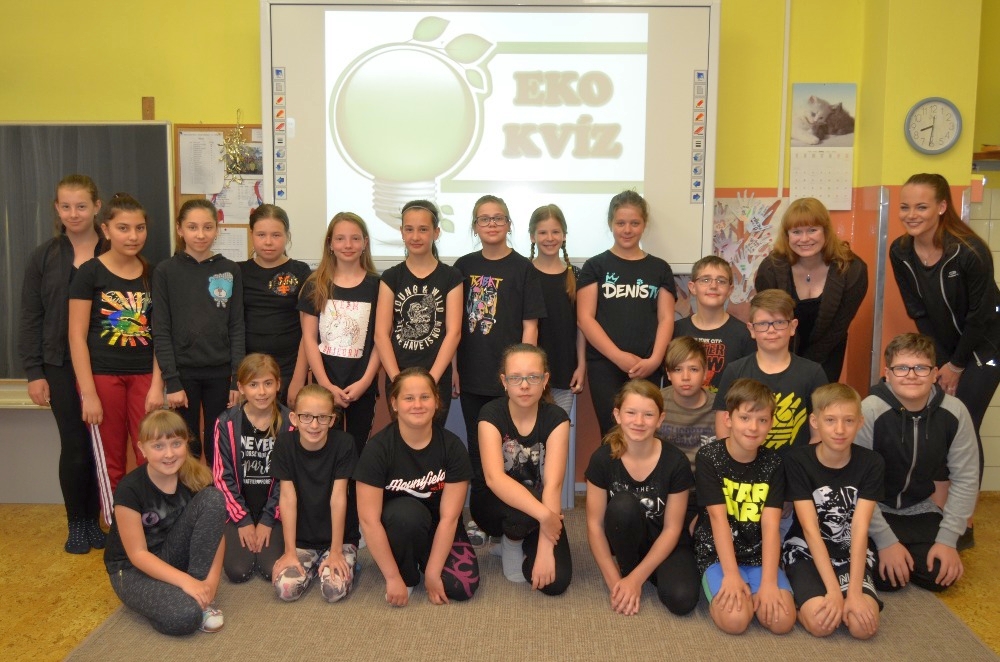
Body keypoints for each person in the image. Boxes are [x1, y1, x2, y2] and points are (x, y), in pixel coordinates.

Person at [890, 173, 1000, 487]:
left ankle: (964, 512)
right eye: (905, 207)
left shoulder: (969, 251)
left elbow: (980, 317)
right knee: (940, 423)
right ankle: (939, 505)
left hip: (987, 345)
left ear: (941, 207)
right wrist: (940, 361)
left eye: (921, 207)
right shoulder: (901, 252)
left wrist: (957, 365)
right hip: (945, 349)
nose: (911, 215)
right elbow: (918, 312)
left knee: (964, 422)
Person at [19, 175, 107, 553]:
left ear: (97, 207)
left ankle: (97, 520)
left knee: (100, 446)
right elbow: (30, 316)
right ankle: (78, 524)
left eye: (81, 206)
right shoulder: (44, 257)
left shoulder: (114, 249)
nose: (74, 213)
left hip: (105, 363)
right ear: (56, 208)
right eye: (66, 206)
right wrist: (34, 373)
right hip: (58, 363)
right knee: (74, 445)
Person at [857, 333, 978, 593]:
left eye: (921, 368)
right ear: (887, 374)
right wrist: (886, 541)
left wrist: (948, 540)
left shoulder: (955, 412)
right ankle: (892, 549)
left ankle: (910, 551)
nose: (911, 375)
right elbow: (856, 482)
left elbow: (966, 478)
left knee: (940, 576)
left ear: (934, 374)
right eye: (901, 368)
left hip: (920, 509)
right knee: (886, 578)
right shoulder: (869, 410)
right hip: (874, 510)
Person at [68, 193, 162, 526]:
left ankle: (152, 522)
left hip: (145, 378)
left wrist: (157, 385)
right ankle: (119, 527)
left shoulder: (154, 274)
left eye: (139, 228)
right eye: (123, 228)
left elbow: (162, 334)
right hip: (103, 378)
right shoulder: (89, 273)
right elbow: (76, 336)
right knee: (111, 459)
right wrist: (89, 392)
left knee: (151, 450)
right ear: (106, 229)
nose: (133, 236)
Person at [354, 368, 480, 606]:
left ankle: (426, 563)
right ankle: (406, 573)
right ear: (394, 403)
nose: (417, 405)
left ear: (436, 401)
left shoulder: (453, 447)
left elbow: (450, 518)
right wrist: (393, 578)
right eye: (409, 398)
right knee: (406, 515)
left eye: (425, 397)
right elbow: (369, 521)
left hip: (440, 527)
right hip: (400, 526)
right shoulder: (378, 449)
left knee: (461, 587)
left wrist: (433, 573)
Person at [103, 410, 226, 635]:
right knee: (185, 616)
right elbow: (138, 554)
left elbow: (215, 533)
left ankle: (196, 594)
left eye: (176, 444)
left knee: (214, 498)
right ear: (142, 449)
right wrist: (185, 582)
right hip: (131, 570)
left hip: (170, 555)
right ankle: (181, 596)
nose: (169, 454)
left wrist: (209, 584)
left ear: (186, 443)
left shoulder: (195, 477)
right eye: (158, 446)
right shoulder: (129, 489)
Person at [585, 379, 700, 616]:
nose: (639, 422)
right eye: (631, 413)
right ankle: (628, 568)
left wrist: (637, 580)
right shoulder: (602, 459)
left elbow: (672, 529)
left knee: (682, 600)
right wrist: (616, 583)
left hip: (665, 541)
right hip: (626, 537)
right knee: (623, 505)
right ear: (617, 415)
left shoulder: (676, 462)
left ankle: (642, 573)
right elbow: (594, 525)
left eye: (648, 415)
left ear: (660, 419)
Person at [781, 383, 884, 639]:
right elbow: (810, 529)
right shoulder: (797, 461)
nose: (840, 430)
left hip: (849, 553)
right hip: (805, 552)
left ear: (860, 422)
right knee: (822, 624)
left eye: (848, 421)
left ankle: (847, 592)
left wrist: (855, 594)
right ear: (814, 422)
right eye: (830, 420)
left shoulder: (872, 463)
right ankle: (801, 602)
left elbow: (860, 528)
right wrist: (835, 592)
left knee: (862, 628)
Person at [694, 378, 795, 635]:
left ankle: (758, 588)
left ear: (771, 424)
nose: (753, 427)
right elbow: (717, 519)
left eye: (762, 420)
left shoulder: (773, 464)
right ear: (728, 419)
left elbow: (771, 525)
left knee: (782, 622)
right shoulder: (709, 458)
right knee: (736, 621)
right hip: (718, 555)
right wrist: (730, 574)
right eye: (745, 418)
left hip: (759, 555)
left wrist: (769, 582)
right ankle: (735, 590)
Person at [471, 344, 572, 593]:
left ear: (545, 380)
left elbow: (553, 485)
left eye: (533, 377)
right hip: (492, 507)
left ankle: (525, 540)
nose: (524, 385)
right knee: (523, 503)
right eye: (515, 378)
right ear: (504, 381)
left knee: (556, 582)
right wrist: (547, 517)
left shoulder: (557, 418)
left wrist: (546, 549)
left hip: (537, 506)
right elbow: (495, 479)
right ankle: (511, 543)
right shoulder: (490, 414)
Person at [153, 199, 245, 467]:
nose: (201, 234)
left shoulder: (230, 270)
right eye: (192, 227)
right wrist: (171, 381)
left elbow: (237, 326)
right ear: (180, 229)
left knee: (219, 441)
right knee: (186, 442)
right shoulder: (165, 271)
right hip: (183, 375)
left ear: (217, 229)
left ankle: (218, 493)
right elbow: (161, 330)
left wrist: (236, 379)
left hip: (220, 373)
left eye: (207, 227)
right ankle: (189, 493)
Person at [578, 190, 676, 436]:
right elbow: (585, 318)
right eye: (620, 223)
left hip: (647, 366)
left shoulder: (659, 268)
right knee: (612, 432)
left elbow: (666, 318)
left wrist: (655, 360)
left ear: (644, 224)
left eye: (635, 223)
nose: (627, 230)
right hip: (605, 364)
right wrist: (618, 356)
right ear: (611, 223)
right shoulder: (595, 266)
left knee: (643, 432)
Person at [454, 195, 546, 454]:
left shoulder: (523, 268)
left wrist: (524, 374)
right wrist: (453, 368)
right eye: (484, 219)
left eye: (498, 218)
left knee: (510, 451)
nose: (492, 224)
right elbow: (454, 326)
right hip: (471, 375)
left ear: (509, 224)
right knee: (477, 448)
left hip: (511, 378)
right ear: (475, 227)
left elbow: (531, 326)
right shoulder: (463, 266)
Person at [755, 197, 868, 382]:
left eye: (812, 230)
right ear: (787, 235)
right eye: (796, 232)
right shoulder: (770, 269)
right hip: (779, 353)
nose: (804, 239)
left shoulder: (852, 270)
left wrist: (806, 367)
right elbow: (769, 322)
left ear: (826, 231)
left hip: (828, 354)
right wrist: (790, 365)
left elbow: (839, 327)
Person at [298, 212, 381, 458]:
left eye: (355, 238)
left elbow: (381, 339)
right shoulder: (315, 285)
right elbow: (309, 339)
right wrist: (325, 385)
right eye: (340, 238)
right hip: (324, 388)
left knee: (357, 452)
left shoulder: (378, 286)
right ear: (330, 244)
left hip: (362, 387)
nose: (348, 245)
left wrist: (365, 382)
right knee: (324, 452)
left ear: (365, 243)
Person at [374, 200, 463, 425]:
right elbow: (381, 334)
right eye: (409, 229)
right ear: (401, 232)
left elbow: (453, 332)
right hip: (398, 373)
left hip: (436, 375)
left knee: (433, 438)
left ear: (436, 232)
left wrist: (431, 381)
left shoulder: (451, 277)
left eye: (423, 229)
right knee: (402, 438)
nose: (415, 236)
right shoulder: (391, 277)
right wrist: (397, 380)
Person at [271, 385, 359, 603]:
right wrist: (290, 551)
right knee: (286, 590)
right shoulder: (284, 444)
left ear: (332, 420)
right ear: (294, 418)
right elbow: (287, 499)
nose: (314, 425)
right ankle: (312, 566)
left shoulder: (344, 444)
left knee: (333, 591)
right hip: (302, 540)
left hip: (339, 540)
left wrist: (336, 551)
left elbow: (338, 498)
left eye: (322, 418)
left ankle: (331, 560)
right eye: (306, 417)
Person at [713, 289, 827, 453]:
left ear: (793, 326)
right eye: (762, 324)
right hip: (745, 465)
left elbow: (820, 432)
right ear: (751, 329)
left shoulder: (813, 373)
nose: (771, 330)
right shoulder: (735, 371)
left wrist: (805, 464)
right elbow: (723, 430)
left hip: (796, 466)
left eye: (779, 322)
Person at [213, 353, 294, 584]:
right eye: (253, 385)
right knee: (238, 571)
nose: (261, 392)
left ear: (278, 384)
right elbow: (221, 477)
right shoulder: (226, 423)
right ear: (241, 388)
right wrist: (243, 520)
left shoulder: (290, 423)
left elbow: (288, 479)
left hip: (275, 509)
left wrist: (268, 519)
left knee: (270, 570)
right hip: (239, 509)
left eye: (268, 383)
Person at [240, 204, 312, 406]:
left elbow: (308, 331)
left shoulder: (301, 271)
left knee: (287, 423)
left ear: (287, 236)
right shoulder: (239, 272)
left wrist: (298, 380)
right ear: (252, 234)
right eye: (261, 235)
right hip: (250, 370)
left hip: (289, 368)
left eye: (276, 235)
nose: (268, 242)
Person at [528, 203, 586, 415]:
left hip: (564, 371)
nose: (549, 238)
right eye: (543, 232)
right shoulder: (523, 273)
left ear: (564, 236)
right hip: (529, 373)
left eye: (555, 232)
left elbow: (581, 326)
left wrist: (581, 365)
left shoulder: (576, 275)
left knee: (557, 428)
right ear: (532, 237)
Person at [657, 336, 716, 528]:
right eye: (677, 369)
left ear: (706, 372)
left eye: (693, 369)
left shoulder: (720, 408)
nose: (685, 377)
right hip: (663, 490)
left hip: (703, 493)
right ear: (668, 373)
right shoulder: (656, 403)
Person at [673, 256, 754, 390]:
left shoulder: (744, 335)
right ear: (692, 287)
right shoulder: (675, 331)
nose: (713, 286)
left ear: (730, 290)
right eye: (705, 280)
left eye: (721, 281)